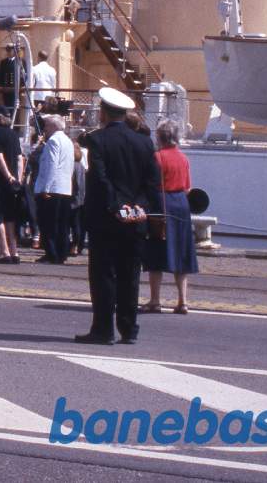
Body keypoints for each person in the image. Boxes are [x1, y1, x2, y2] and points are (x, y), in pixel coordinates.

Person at [75, 87, 160, 345]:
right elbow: (152, 182)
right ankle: (129, 328)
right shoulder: (145, 142)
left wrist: (117, 206)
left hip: (106, 218)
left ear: (103, 112)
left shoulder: (97, 140)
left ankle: (103, 329)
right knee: (130, 274)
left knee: (103, 274)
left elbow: (100, 179)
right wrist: (138, 207)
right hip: (136, 219)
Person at [143, 121, 197, 315]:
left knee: (156, 251)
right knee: (181, 251)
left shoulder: (157, 157)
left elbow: (150, 184)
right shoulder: (183, 158)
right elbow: (188, 187)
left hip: (161, 202)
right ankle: (183, 301)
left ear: (159, 137)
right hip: (181, 204)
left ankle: (155, 300)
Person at [33, 114, 75, 265]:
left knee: (49, 223)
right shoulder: (68, 141)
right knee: (62, 223)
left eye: (47, 125)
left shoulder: (53, 141)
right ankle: (61, 253)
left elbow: (51, 165)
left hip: (53, 187)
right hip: (65, 187)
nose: (44, 128)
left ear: (53, 126)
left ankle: (51, 253)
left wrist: (45, 188)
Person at [0, 108, 24, 263]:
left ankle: (4, 251)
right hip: (13, 182)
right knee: (10, 217)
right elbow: (20, 158)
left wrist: (7, 175)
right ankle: (15, 251)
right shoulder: (14, 134)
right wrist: (18, 178)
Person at [0, 44, 24, 109]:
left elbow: (23, 77)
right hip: (6, 90)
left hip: (16, 90)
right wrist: (0, 90)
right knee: (6, 108)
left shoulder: (19, 61)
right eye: (8, 50)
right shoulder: (3, 62)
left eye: (10, 50)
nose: (9, 52)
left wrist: (21, 88)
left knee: (15, 109)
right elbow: (0, 76)